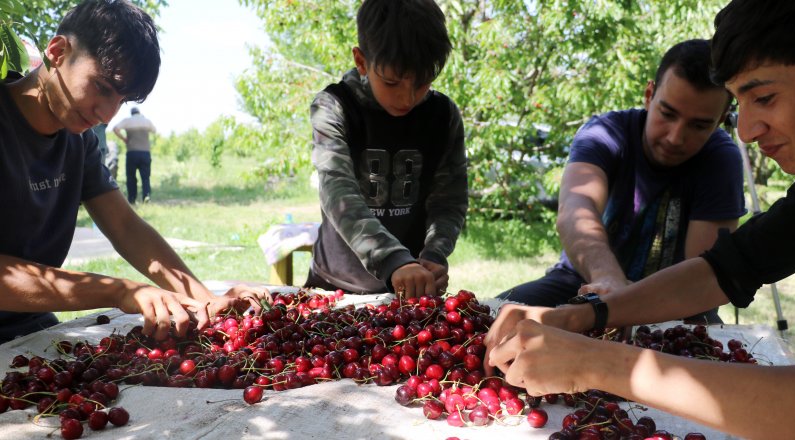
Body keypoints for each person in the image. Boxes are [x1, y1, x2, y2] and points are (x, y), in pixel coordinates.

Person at [484, 0, 795, 438]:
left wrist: (590, 362)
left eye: (764, 97)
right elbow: (728, 266)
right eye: (739, 105)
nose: (746, 130)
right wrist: (585, 316)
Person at [0, 0, 266, 344]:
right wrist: (119, 290)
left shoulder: (78, 142)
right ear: (58, 51)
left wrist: (206, 300)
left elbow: (125, 226)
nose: (109, 114)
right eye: (103, 87)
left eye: (122, 100)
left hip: (31, 330)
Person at [498, 39, 745, 324]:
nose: (676, 137)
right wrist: (608, 280)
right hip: (582, 283)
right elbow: (575, 210)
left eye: (699, 125)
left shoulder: (722, 159)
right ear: (649, 95)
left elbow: (701, 274)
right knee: (496, 319)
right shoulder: (604, 133)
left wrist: (624, 303)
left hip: (676, 302)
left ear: (721, 119)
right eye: (667, 114)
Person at [305, 0, 467, 299]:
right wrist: (393, 260)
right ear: (361, 61)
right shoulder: (334, 106)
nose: (407, 97)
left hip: (411, 289)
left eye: (421, 83)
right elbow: (337, 192)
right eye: (392, 82)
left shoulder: (443, 115)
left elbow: (449, 200)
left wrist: (435, 252)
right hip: (335, 286)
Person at [113, 106, 155, 203]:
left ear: (131, 113)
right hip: (145, 153)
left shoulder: (127, 121)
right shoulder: (146, 121)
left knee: (131, 177)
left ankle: (132, 199)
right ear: (139, 112)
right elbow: (154, 130)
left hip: (132, 152)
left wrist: (124, 139)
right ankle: (146, 196)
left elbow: (115, 129)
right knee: (145, 177)